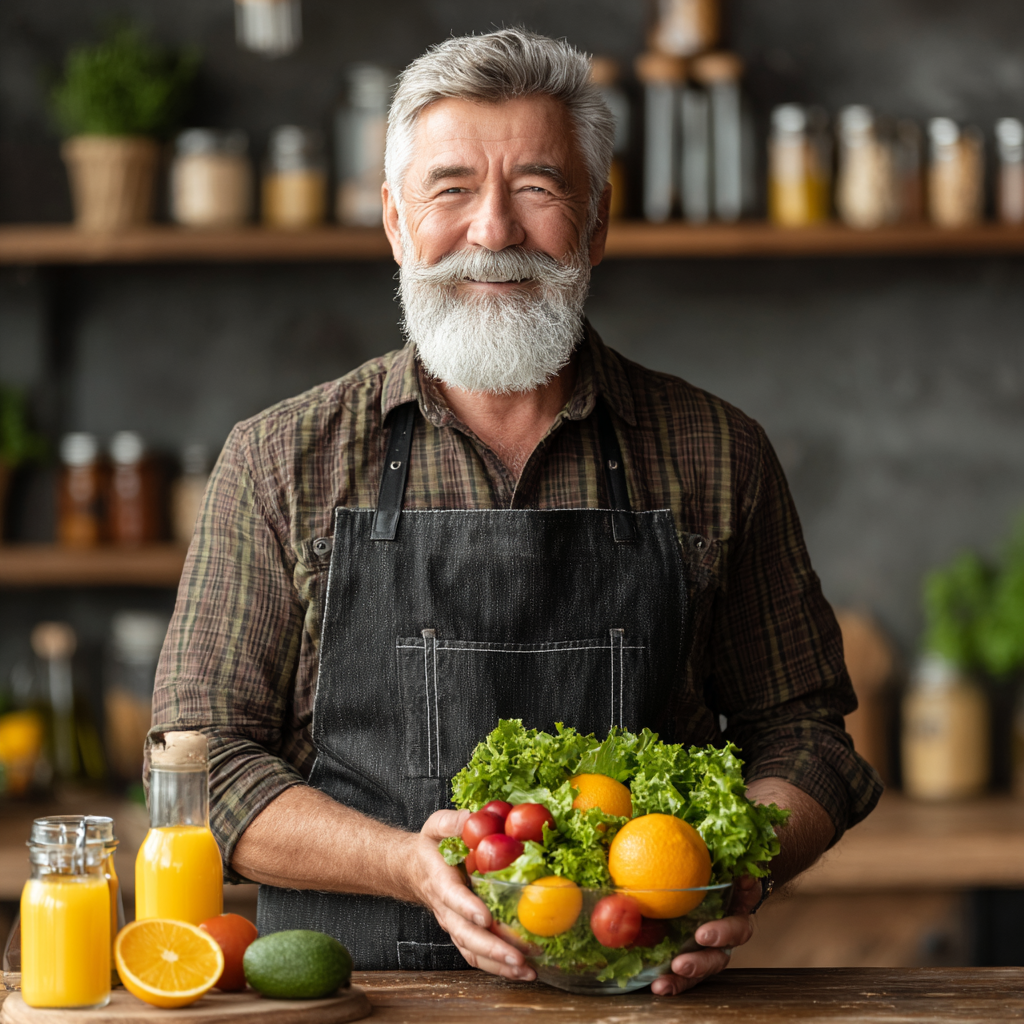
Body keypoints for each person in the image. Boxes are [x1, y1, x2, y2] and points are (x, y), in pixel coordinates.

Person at [150, 29, 882, 995]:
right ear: (394, 221)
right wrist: (406, 863)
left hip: (640, 997)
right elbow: (197, 767)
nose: (493, 230)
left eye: (537, 187)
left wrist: (726, 874)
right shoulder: (281, 459)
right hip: (359, 1003)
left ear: (597, 223)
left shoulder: (715, 449)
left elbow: (807, 736)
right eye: (450, 189)